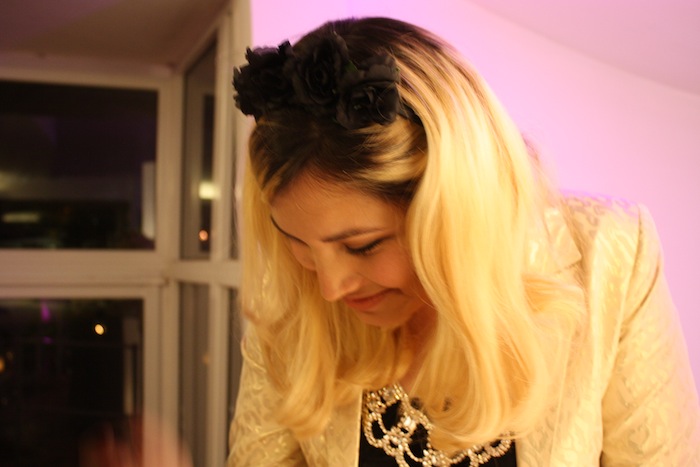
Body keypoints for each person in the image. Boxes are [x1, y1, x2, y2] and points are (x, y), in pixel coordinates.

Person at [228, 17, 700, 466]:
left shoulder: (612, 259)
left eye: (363, 246)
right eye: (299, 243)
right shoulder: (292, 297)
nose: (329, 287)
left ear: (457, 208)